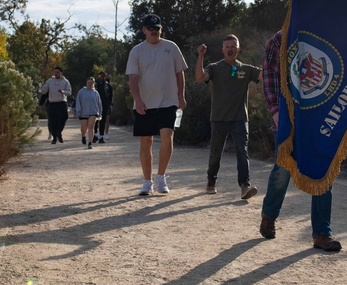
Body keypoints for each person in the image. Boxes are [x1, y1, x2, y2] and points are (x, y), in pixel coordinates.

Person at [258, 30, 341, 252]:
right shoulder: (278, 40)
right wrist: (276, 112)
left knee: (323, 170)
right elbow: (269, 78)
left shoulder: (328, 37)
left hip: (319, 117)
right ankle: (269, 216)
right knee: (283, 171)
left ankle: (322, 233)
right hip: (288, 117)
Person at [126, 14, 188, 195]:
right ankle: (147, 181)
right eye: (150, 28)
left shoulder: (171, 47)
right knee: (146, 142)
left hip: (168, 102)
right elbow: (132, 78)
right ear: (144, 30)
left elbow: (179, 73)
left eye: (157, 28)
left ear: (161, 29)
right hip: (145, 104)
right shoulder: (137, 51)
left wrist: (181, 96)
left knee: (167, 137)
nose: (154, 31)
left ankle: (161, 177)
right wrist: (138, 100)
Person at [194, 35, 261, 199]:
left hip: (240, 119)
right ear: (223, 49)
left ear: (238, 49)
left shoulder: (246, 69)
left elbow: (264, 76)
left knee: (242, 151)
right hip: (219, 118)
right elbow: (199, 78)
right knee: (216, 153)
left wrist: (274, 57)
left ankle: (245, 186)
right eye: (227, 46)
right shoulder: (215, 68)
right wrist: (200, 56)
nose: (230, 49)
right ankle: (211, 181)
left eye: (233, 46)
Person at [40, 67, 71, 144]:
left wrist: (63, 92)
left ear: (61, 73)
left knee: (64, 118)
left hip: (62, 102)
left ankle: (59, 132)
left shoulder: (65, 81)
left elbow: (69, 92)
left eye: (58, 72)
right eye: (55, 72)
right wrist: (40, 88)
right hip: (52, 103)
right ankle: (54, 137)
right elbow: (44, 91)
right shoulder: (50, 81)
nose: (56, 73)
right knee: (52, 121)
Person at [74, 76, 103, 149]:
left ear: (94, 83)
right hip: (83, 112)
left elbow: (99, 103)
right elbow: (78, 102)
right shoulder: (81, 92)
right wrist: (78, 112)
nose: (90, 84)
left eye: (92, 83)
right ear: (86, 83)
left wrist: (100, 113)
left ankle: (90, 142)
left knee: (91, 127)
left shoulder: (95, 93)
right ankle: (83, 136)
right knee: (84, 127)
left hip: (93, 112)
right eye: (89, 83)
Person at [94, 71, 113, 143]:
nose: (101, 77)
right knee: (95, 120)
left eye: (103, 76)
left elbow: (110, 95)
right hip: (96, 105)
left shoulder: (108, 86)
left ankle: (101, 137)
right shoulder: (95, 85)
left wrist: (109, 104)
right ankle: (95, 135)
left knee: (103, 121)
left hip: (105, 105)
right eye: (100, 76)